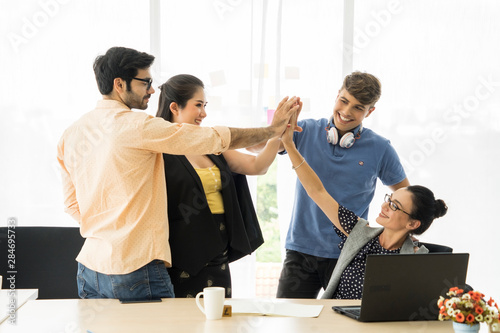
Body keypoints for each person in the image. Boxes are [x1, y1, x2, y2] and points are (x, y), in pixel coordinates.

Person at [56, 47, 299, 301]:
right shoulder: (137, 126)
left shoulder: (71, 134)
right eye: (145, 82)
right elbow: (216, 138)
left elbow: (72, 204)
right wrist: (272, 130)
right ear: (120, 84)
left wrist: (109, 228)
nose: (151, 89)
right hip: (134, 266)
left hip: (90, 267)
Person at [275, 71, 410, 298]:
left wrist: (390, 234)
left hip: (350, 254)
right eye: (344, 101)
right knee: (289, 321)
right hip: (301, 250)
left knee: (345, 324)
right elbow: (259, 152)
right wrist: (276, 128)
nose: (346, 112)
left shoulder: (381, 148)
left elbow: (406, 196)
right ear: (337, 95)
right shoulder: (304, 130)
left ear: (370, 111)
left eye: (358, 107)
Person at [281, 119, 447, 299]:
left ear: (413, 223)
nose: (384, 206)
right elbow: (317, 191)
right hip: (336, 321)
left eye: (394, 206)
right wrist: (289, 145)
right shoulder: (358, 232)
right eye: (389, 199)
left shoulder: (416, 257)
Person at [156, 74, 286, 298]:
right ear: (175, 107)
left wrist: (278, 133)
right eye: (198, 105)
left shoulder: (210, 141)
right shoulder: (157, 150)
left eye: (205, 105)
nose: (204, 113)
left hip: (219, 253)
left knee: (220, 321)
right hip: (182, 257)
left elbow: (257, 166)